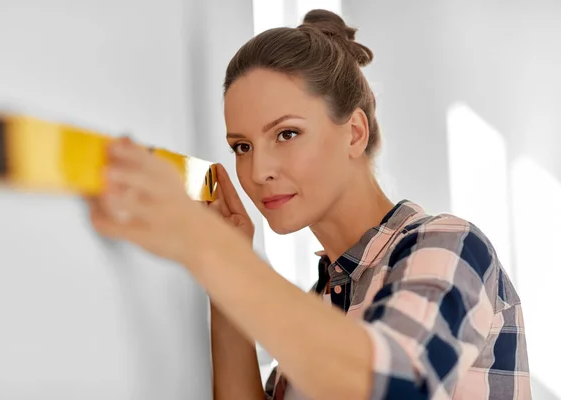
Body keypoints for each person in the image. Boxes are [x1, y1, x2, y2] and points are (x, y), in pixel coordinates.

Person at [87, 9, 531, 400]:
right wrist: (225, 273)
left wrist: (208, 250)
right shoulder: (318, 309)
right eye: (242, 146)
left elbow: (393, 385)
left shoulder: (449, 246)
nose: (258, 170)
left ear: (354, 132)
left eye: (286, 134)